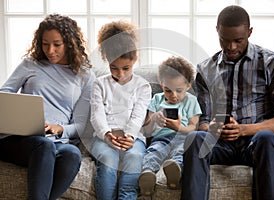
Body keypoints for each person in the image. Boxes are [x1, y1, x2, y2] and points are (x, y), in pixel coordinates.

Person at [181, 5, 274, 200]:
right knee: (195, 139)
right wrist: (212, 128)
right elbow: (203, 120)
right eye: (225, 40)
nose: (231, 47)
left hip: (255, 143)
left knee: (267, 137)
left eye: (238, 40)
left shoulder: (272, 62)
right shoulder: (206, 69)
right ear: (217, 31)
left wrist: (243, 130)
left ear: (249, 33)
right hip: (220, 145)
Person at [0, 14, 95, 200]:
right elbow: (4, 95)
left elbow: (81, 125)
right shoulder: (30, 64)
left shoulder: (85, 76)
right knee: (43, 146)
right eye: (45, 44)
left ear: (70, 43)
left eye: (57, 44)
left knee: (72, 154)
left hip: (56, 142)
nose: (50, 50)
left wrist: (60, 129)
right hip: (19, 140)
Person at [90, 20, 152, 200]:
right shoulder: (99, 84)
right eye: (114, 68)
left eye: (126, 68)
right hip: (104, 138)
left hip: (133, 138)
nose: (121, 74)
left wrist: (130, 136)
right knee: (109, 160)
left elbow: (138, 115)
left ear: (135, 59)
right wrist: (106, 134)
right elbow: (96, 115)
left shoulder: (143, 86)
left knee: (133, 158)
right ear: (106, 60)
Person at [138, 56, 201, 198]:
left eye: (179, 90)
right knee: (152, 153)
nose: (173, 96)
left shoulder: (191, 101)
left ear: (188, 85)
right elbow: (147, 130)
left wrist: (179, 127)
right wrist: (154, 118)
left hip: (183, 138)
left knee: (180, 153)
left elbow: (193, 127)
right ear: (161, 85)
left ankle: (175, 173)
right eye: (168, 90)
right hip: (160, 138)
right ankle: (147, 177)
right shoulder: (156, 100)